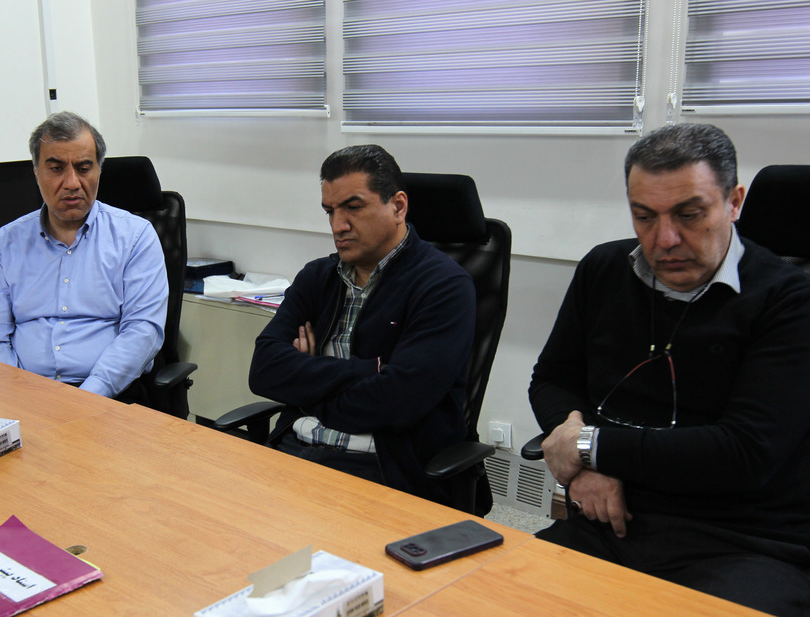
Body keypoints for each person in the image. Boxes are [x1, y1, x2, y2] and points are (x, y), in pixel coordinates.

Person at [530, 123, 810, 616]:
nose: (665, 239)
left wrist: (588, 448)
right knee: (492, 593)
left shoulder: (790, 300)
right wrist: (584, 470)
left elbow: (744, 452)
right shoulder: (604, 269)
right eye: (644, 217)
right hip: (611, 516)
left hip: (744, 541)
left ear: (734, 202)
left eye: (689, 214)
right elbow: (553, 379)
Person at [248, 144, 477, 506]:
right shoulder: (317, 277)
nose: (338, 225)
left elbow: (399, 400)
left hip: (381, 470)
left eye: (353, 207)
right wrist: (369, 371)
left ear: (398, 206)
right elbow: (263, 371)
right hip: (292, 449)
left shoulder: (444, 285)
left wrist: (308, 390)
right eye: (330, 211)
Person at [0, 111, 168, 399]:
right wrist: (18, 393)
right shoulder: (5, 243)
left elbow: (143, 331)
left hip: (109, 396)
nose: (72, 182)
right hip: (24, 396)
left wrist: (86, 397)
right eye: (56, 168)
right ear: (36, 172)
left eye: (84, 168)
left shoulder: (136, 237)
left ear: (99, 170)